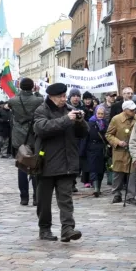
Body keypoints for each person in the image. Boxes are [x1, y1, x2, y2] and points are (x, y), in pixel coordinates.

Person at [33, 82, 88, 242]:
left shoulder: (70, 109)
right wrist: (66, 120)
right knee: (44, 201)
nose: (64, 99)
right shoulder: (41, 110)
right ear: (51, 97)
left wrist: (80, 121)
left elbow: (83, 133)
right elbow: (42, 128)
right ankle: (44, 229)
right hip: (46, 163)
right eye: (61, 97)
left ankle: (68, 229)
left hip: (67, 163)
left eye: (65, 96)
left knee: (66, 199)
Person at [8, 78, 43, 206]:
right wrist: (37, 92)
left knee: (22, 166)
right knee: (35, 166)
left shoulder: (13, 100)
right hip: (33, 135)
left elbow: (12, 102)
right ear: (32, 87)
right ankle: (36, 197)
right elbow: (42, 100)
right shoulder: (37, 100)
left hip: (19, 137)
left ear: (21, 87)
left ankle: (24, 197)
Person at [108, 100, 136, 204]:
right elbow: (109, 135)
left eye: (134, 109)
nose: (134, 110)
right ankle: (116, 194)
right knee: (117, 173)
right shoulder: (116, 119)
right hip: (120, 151)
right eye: (131, 109)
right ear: (125, 110)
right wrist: (118, 142)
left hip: (133, 151)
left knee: (132, 174)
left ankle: (130, 196)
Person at [82, 104, 109, 195]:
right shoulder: (90, 123)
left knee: (101, 169)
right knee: (93, 169)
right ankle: (96, 188)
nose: (100, 115)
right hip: (92, 148)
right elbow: (85, 138)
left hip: (102, 149)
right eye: (98, 113)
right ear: (95, 113)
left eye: (102, 114)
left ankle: (99, 187)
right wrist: (82, 151)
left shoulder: (105, 123)